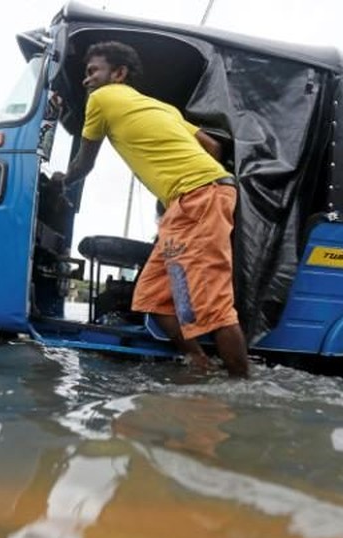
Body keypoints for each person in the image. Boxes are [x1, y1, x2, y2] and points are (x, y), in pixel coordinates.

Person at [52, 41, 249, 377]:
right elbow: (213, 147)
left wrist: (61, 179)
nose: (87, 80)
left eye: (92, 71)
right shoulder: (162, 108)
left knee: (212, 304)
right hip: (191, 201)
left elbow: (85, 163)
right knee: (153, 296)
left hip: (198, 199)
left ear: (118, 73)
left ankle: (242, 390)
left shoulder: (102, 97)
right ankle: (199, 364)